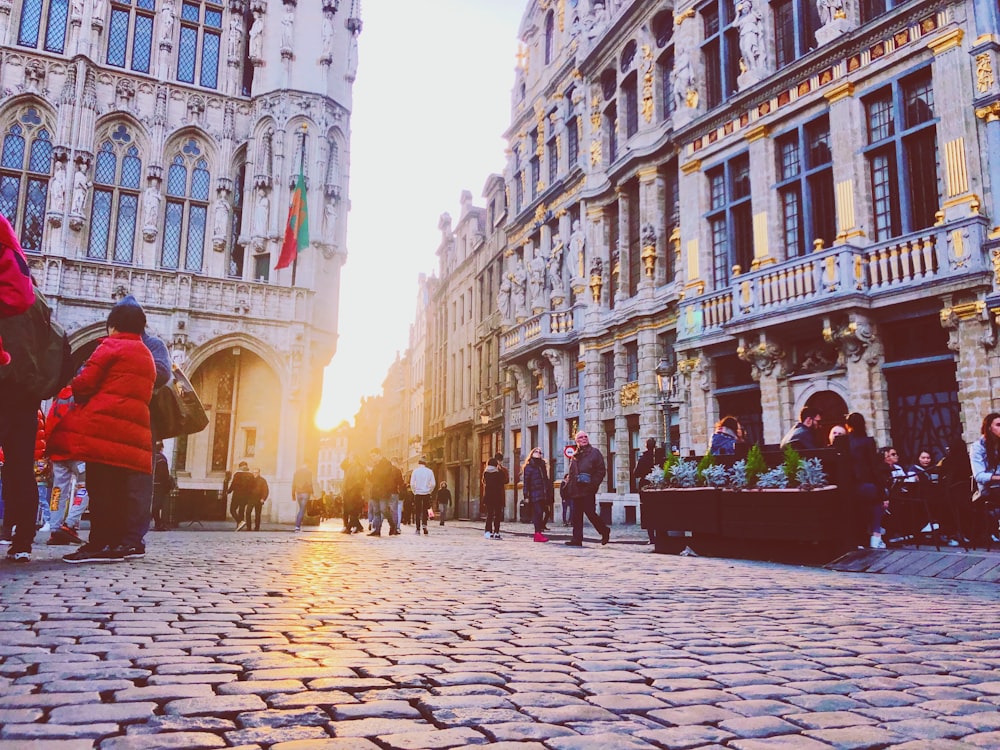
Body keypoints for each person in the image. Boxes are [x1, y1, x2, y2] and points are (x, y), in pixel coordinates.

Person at [57, 297, 156, 563]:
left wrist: (75, 386)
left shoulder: (110, 346)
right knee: (119, 491)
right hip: (133, 435)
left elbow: (84, 383)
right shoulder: (146, 354)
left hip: (104, 430)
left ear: (113, 326)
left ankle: (99, 543)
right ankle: (115, 543)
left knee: (99, 489)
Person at [833, 413, 884, 549]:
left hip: (849, 484)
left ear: (848, 425)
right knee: (877, 502)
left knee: (859, 509)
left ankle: (861, 539)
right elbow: (873, 465)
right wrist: (881, 488)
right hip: (866, 483)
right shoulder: (868, 441)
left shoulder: (844, 441)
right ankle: (876, 534)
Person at [46, 385, 86, 544]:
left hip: (57, 449)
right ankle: (70, 524)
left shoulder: (58, 399)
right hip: (78, 449)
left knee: (57, 490)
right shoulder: (84, 396)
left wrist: (49, 449)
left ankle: (55, 529)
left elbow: (50, 421)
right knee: (85, 485)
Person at [564, 431, 610, 547]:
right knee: (576, 515)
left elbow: (601, 471)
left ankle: (604, 530)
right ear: (577, 441)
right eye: (581, 437)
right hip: (576, 490)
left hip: (588, 489)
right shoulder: (574, 456)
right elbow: (571, 473)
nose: (584, 439)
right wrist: (568, 488)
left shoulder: (595, 453)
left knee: (590, 513)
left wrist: (593, 485)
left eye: (585, 437)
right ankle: (577, 539)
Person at [970, 412, 1000, 544]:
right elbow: (979, 476)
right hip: (988, 489)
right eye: (998, 425)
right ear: (989, 428)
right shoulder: (978, 447)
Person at [633, 437, 658, 545]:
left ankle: (652, 537)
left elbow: (636, 473)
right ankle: (660, 534)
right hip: (657, 484)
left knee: (648, 511)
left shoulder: (643, 458)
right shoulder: (658, 457)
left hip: (646, 486)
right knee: (658, 510)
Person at [522, 448, 551, 543]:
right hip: (534, 493)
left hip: (543, 493)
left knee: (541, 512)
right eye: (536, 451)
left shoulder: (542, 465)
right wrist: (526, 495)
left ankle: (539, 533)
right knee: (537, 513)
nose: (538, 453)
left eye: (539, 452)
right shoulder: (529, 467)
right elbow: (526, 482)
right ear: (532, 453)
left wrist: (548, 492)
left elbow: (546, 480)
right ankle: (537, 534)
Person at [367, 448, 396, 536]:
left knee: (384, 510)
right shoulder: (375, 465)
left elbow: (384, 474)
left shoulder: (386, 463)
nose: (372, 458)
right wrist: (369, 473)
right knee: (376, 511)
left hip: (384, 490)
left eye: (374, 456)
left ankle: (392, 525)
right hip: (375, 491)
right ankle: (377, 530)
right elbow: (372, 479)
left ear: (379, 455)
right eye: (371, 457)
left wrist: (373, 471)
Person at [151, 441, 174, 531]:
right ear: (161, 448)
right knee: (158, 505)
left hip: (152, 483)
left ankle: (158, 523)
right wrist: (167, 485)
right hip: (159, 485)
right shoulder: (161, 458)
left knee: (154, 505)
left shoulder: (152, 457)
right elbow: (164, 474)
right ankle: (159, 524)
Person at [226, 460, 255, 531]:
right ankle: (239, 526)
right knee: (241, 510)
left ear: (240, 467)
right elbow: (253, 486)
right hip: (246, 496)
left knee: (232, 510)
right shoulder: (251, 475)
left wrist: (228, 491)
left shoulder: (237, 474)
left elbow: (233, 484)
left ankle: (240, 522)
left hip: (237, 495)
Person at [409, 457, 435, 536]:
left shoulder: (415, 471)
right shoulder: (430, 471)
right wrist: (429, 490)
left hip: (418, 493)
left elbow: (412, 484)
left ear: (418, 463)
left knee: (417, 511)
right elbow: (433, 483)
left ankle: (417, 528)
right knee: (425, 510)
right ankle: (424, 525)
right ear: (425, 464)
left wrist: (414, 491)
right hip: (426, 493)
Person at [482, 458, 506, 539]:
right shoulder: (499, 473)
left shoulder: (486, 473)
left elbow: (484, 481)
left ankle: (488, 531)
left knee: (489, 514)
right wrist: (500, 469)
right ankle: (496, 532)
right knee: (497, 515)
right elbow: (505, 480)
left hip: (488, 497)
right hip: (498, 496)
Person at [292, 463, 313, 532]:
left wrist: (293, 494)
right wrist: (312, 493)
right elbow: (310, 483)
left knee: (301, 509)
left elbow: (293, 484)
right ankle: (297, 526)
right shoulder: (308, 472)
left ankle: (299, 525)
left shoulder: (296, 473)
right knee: (302, 510)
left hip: (298, 493)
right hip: (305, 493)